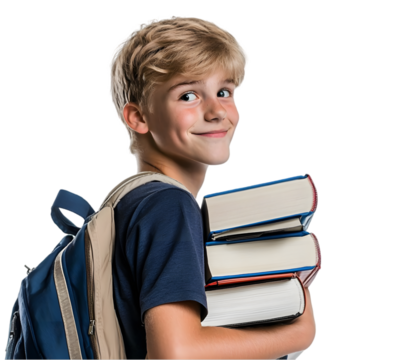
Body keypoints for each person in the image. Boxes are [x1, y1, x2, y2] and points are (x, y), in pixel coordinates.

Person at [107, 14, 316, 359]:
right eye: (188, 95)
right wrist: (295, 334)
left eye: (224, 91)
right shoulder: (167, 205)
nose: (217, 111)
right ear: (139, 117)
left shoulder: (128, 202)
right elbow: (177, 352)